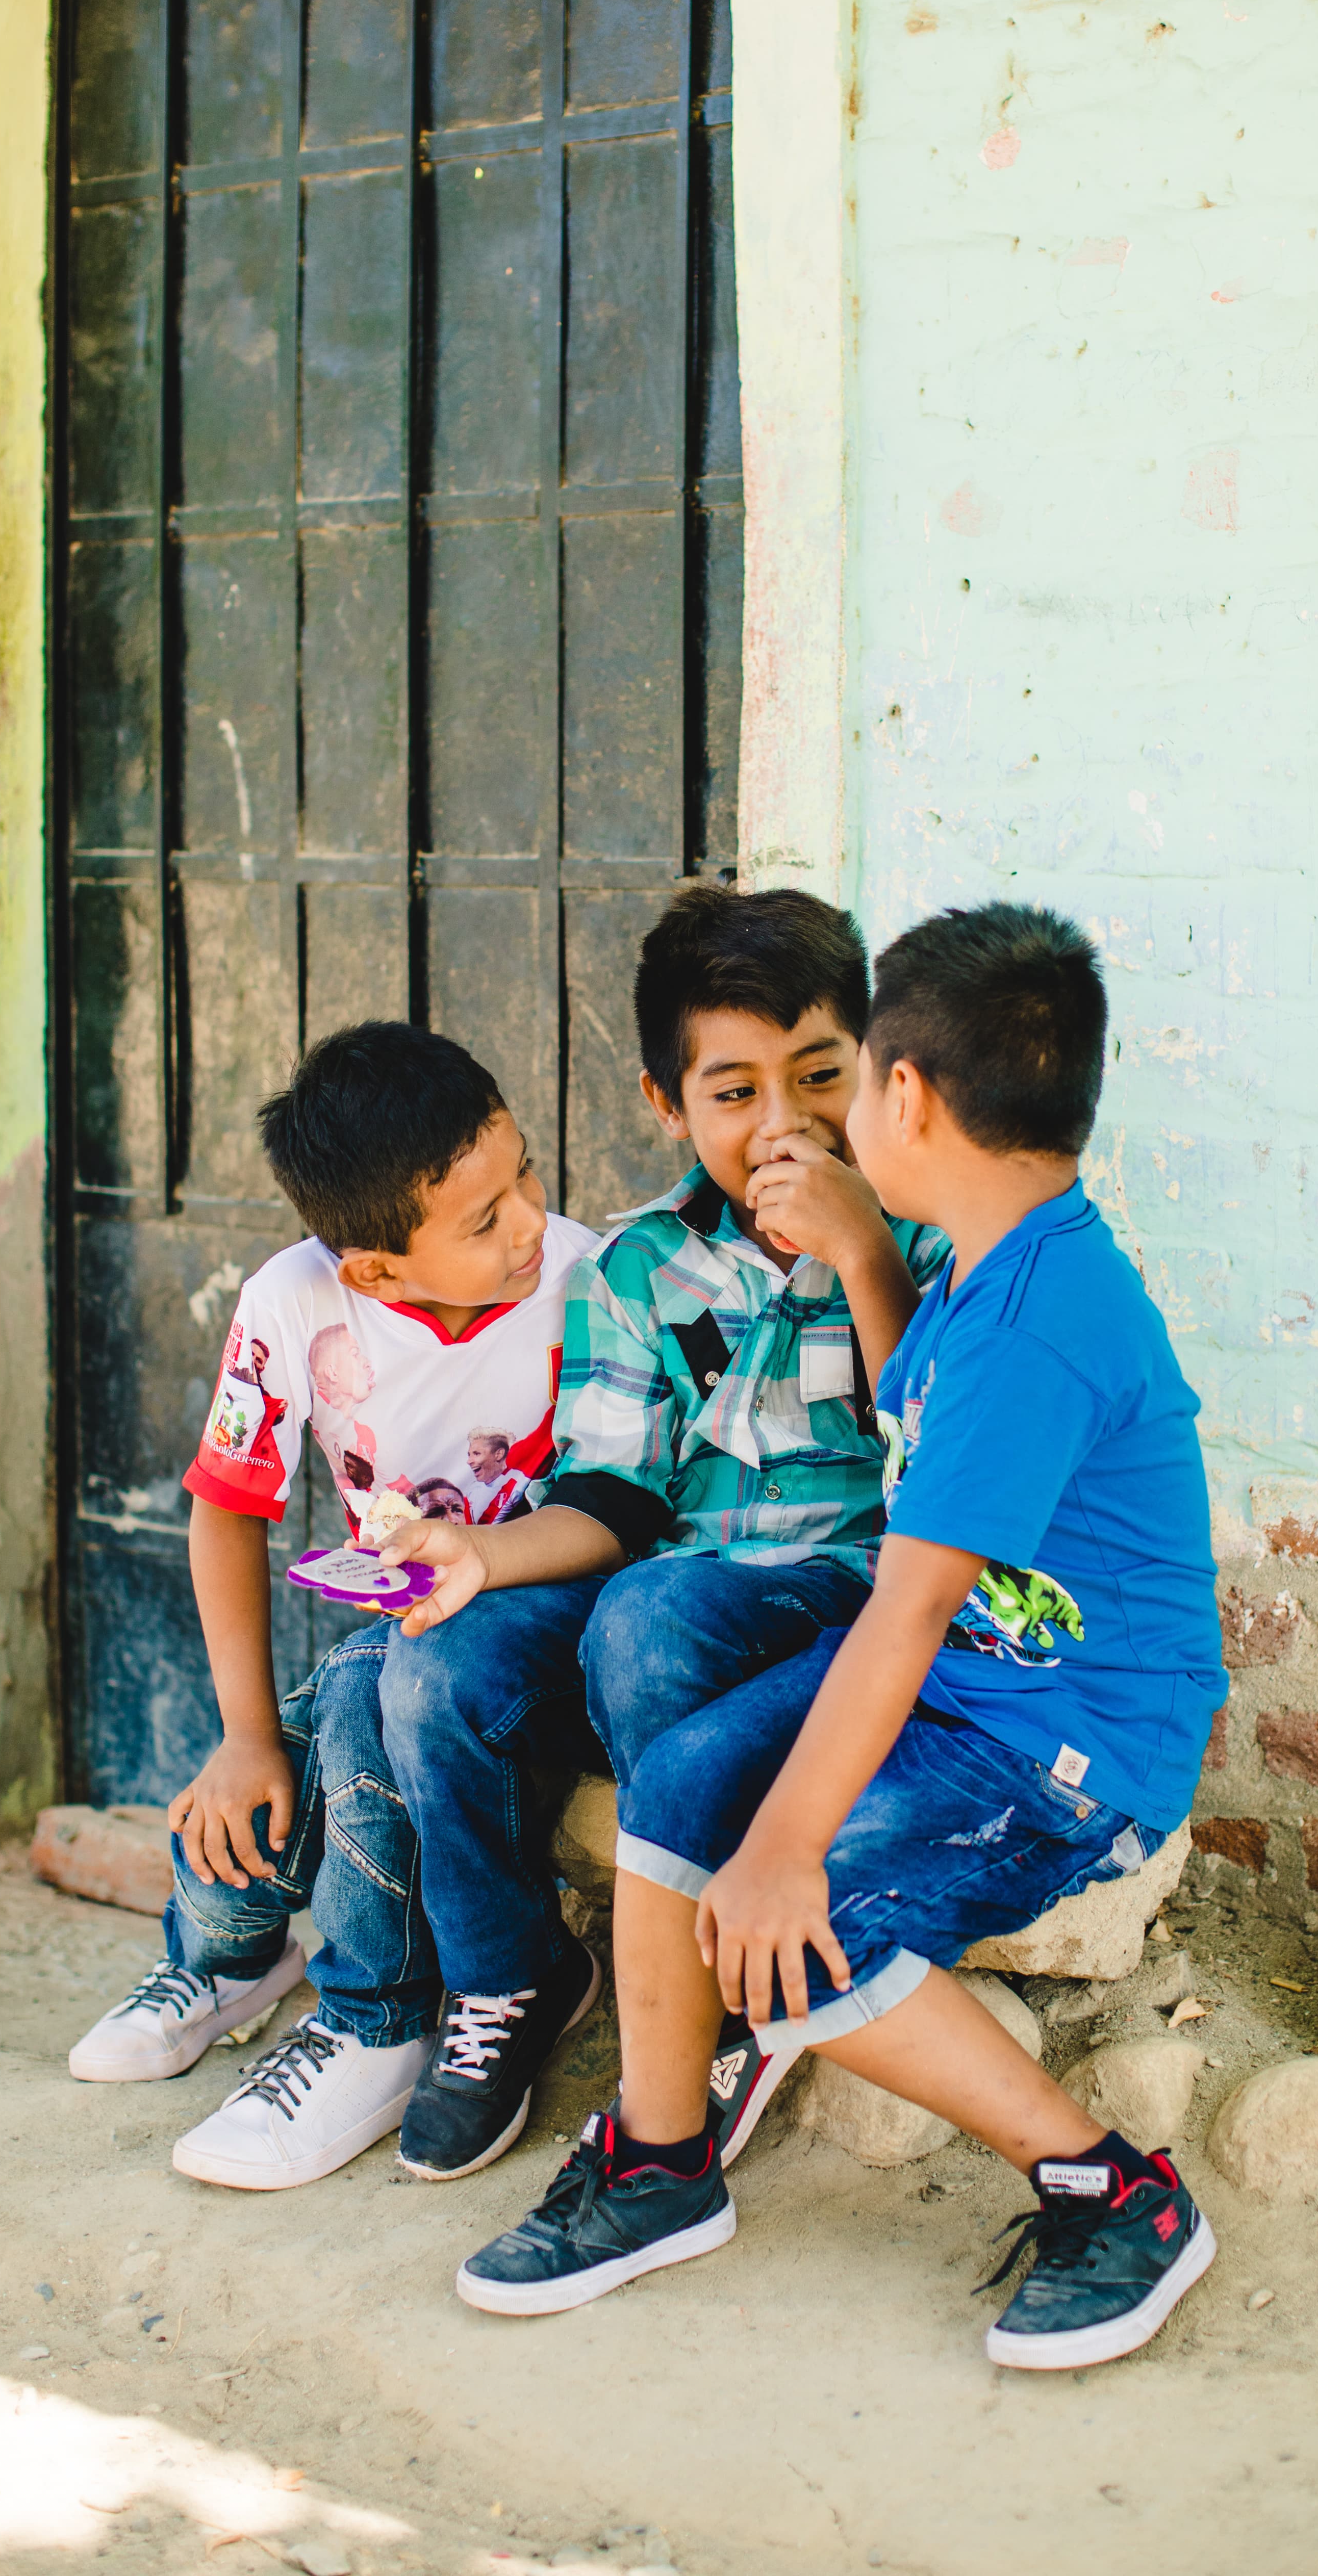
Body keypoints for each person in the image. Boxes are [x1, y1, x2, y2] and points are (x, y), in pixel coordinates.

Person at [455, 903, 1229, 2373]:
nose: (822, 1116)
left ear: (908, 1099)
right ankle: (660, 2162)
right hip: (966, 1684)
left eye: (851, 1078)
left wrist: (784, 1850)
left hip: (1068, 1745)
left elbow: (912, 1604)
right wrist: (871, 1256)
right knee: (683, 1782)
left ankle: (1112, 2189)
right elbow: (910, 1511)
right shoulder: (984, 1262)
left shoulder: (1035, 1323)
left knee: (807, 1927)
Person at [373, 886, 952, 2182]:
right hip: (665, 1593)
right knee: (433, 1665)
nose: (785, 1123)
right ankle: (512, 1977)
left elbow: (937, 1460)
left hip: (845, 1595)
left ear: (876, 1066)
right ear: (667, 1105)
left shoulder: (927, 1233)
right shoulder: (633, 1268)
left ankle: (725, 1995)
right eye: (735, 1092)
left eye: (820, 1076)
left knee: (652, 1617)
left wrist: (862, 1253)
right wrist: (482, 1558)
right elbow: (617, 1502)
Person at [65, 1019, 597, 2193]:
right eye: (484, 1219)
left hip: (531, 1637)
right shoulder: (296, 1302)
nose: (529, 1223)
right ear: (374, 1271)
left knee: (360, 1692)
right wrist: (244, 1737)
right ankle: (229, 1957)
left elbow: (629, 1512)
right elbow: (225, 1508)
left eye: (526, 1176)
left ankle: (374, 2020)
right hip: (406, 1627)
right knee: (275, 1749)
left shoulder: (589, 1283)